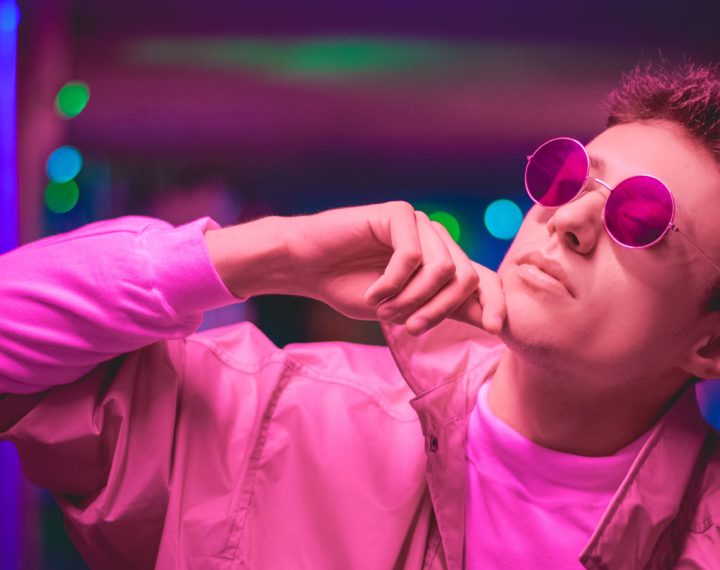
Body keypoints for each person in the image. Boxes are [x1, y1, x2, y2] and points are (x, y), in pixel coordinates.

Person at [1, 61, 719, 570]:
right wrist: (271, 254)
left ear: (710, 347)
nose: (568, 221)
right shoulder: (269, 417)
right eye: (568, 178)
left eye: (641, 217)